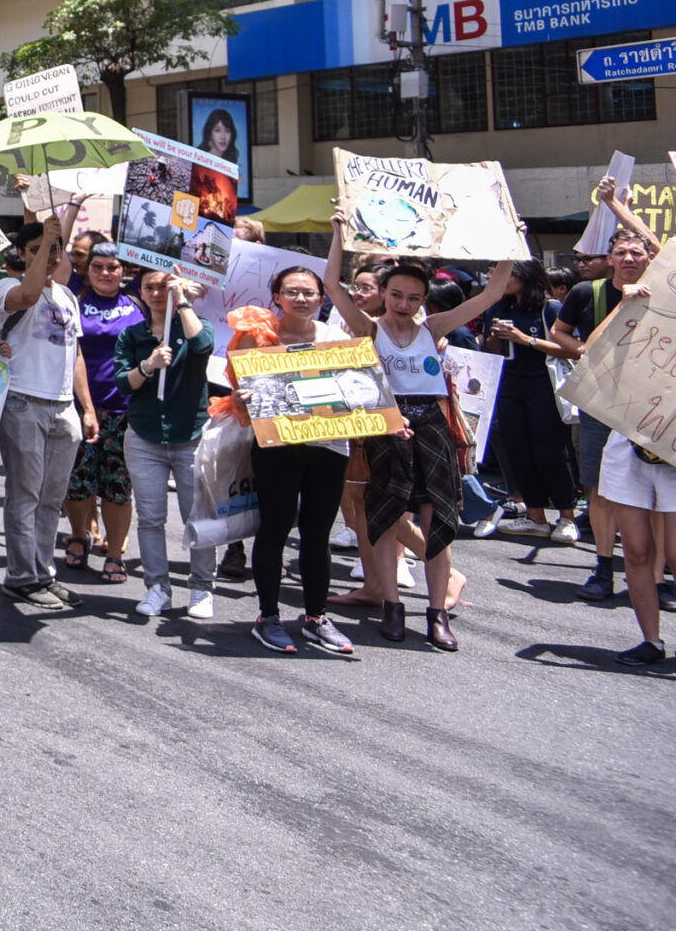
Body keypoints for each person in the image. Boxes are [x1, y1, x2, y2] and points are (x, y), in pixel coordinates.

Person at [323, 212, 511, 650]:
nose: (402, 304)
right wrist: (337, 234)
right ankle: (392, 607)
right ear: (383, 295)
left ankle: (437, 613)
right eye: (395, 295)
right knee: (386, 520)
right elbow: (333, 285)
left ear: (425, 299)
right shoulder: (368, 329)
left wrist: (510, 244)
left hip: (432, 426)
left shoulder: (435, 329)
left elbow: (493, 292)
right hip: (388, 426)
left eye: (412, 297)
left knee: (437, 521)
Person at [235, 278, 358, 657]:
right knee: (275, 527)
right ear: (276, 297)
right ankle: (267, 617)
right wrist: (242, 399)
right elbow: (240, 405)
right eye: (292, 292)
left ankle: (316, 617)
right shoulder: (257, 337)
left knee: (317, 533)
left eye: (309, 293)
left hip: (329, 444)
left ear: (322, 298)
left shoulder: (335, 336)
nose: (301, 299)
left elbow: (358, 386)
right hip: (277, 444)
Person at [0, 210, 97, 611]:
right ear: (21, 253)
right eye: (37, 250)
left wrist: (86, 406)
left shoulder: (68, 295)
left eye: (54, 250)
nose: (49, 257)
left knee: (52, 498)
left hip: (62, 406)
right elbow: (29, 295)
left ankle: (41, 572)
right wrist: (49, 232)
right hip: (22, 401)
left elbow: (76, 355)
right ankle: (20, 577)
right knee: (25, 495)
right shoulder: (6, 288)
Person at [556, 220, 662, 608]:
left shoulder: (665, 290)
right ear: (610, 260)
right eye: (621, 253)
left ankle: (657, 576)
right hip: (603, 402)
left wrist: (622, 208)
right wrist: (584, 351)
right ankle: (603, 567)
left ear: (649, 257)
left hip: (653, 403)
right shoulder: (589, 292)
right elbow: (560, 333)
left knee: (654, 493)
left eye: (637, 253)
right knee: (599, 488)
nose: (630, 258)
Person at [117, 269, 217, 619]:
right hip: (145, 437)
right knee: (150, 517)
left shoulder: (193, 324)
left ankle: (202, 588)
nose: (158, 293)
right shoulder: (132, 334)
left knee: (198, 516)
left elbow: (203, 346)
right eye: (151, 287)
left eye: (164, 286)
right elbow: (124, 384)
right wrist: (147, 365)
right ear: (141, 292)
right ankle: (157, 587)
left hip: (189, 435)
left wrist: (184, 300)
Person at [482, 258, 579, 543]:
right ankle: (535, 515)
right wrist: (497, 336)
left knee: (549, 452)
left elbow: (571, 349)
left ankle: (566, 516)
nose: (502, 279)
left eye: (508, 273)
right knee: (518, 450)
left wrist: (526, 339)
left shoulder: (551, 309)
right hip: (510, 384)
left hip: (544, 384)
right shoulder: (499, 307)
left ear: (525, 276)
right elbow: (491, 347)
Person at [67, 245, 143, 581]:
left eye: (112, 267)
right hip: (82, 406)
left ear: (123, 269)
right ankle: (80, 536)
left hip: (125, 409)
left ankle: (114, 554)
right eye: (97, 266)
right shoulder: (76, 298)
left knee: (117, 484)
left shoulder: (137, 300)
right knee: (78, 480)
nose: (105, 273)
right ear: (88, 270)